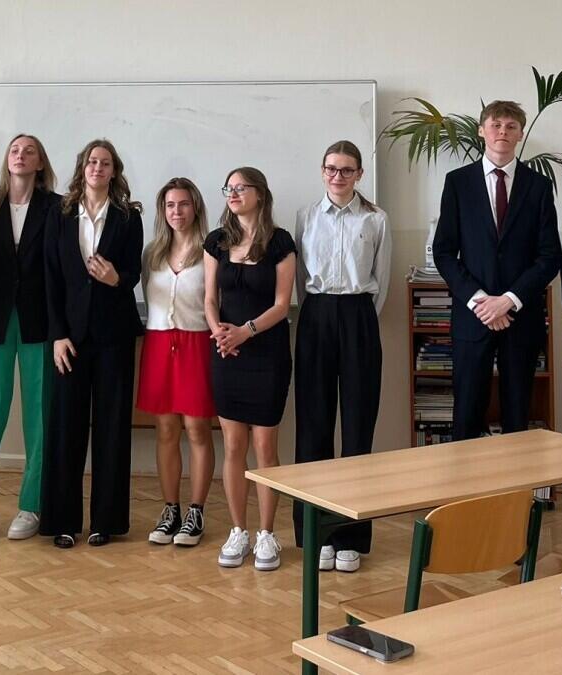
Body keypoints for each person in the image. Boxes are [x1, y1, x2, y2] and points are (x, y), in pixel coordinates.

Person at [432, 100, 562, 441]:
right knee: (466, 415)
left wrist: (509, 300)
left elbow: (550, 256)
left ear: (520, 134)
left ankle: (517, 480)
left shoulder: (538, 186)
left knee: (518, 416)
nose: (502, 131)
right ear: (482, 130)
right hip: (472, 317)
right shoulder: (458, 182)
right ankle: (466, 479)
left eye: (510, 126)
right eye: (496, 125)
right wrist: (480, 301)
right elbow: (444, 252)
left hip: (521, 317)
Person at [293, 141, 391, 573]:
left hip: (358, 317)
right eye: (331, 168)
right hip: (315, 315)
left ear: (359, 174)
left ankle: (351, 536)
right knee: (313, 429)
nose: (338, 176)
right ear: (322, 171)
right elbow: (300, 278)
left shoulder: (376, 219)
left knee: (357, 429)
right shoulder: (305, 217)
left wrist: (357, 320)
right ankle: (316, 534)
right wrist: (318, 314)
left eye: (347, 170)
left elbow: (381, 280)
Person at [39, 139, 143, 549]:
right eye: (92, 161)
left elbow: (133, 271)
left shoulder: (128, 217)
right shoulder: (59, 213)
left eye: (105, 163)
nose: (98, 168)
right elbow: (50, 278)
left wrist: (116, 280)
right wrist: (57, 334)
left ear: (114, 171)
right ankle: (62, 522)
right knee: (65, 427)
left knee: (112, 427)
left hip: (114, 335)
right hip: (70, 338)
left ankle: (106, 521)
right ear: (82, 168)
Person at [0, 134, 61, 541]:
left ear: (40, 163)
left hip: (41, 321)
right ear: (7, 160)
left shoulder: (58, 207)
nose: (21, 156)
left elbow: (59, 266)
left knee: (40, 414)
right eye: (15, 150)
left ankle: (30, 504)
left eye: (29, 151)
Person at [204, 166, 296, 571]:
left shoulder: (280, 242)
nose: (233, 193)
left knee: (264, 448)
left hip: (266, 353)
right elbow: (210, 299)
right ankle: (238, 530)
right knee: (233, 446)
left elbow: (281, 304)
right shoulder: (216, 241)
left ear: (260, 193)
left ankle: (266, 534)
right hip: (227, 353)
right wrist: (220, 333)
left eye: (241, 187)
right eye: (229, 187)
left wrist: (245, 331)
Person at [138, 177, 216, 547]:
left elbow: (215, 301)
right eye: (170, 205)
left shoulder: (212, 250)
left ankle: (196, 512)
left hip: (196, 343)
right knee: (166, 430)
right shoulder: (152, 253)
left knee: (197, 429)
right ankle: (171, 509)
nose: (177, 211)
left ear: (195, 207)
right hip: (158, 343)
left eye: (183, 204)